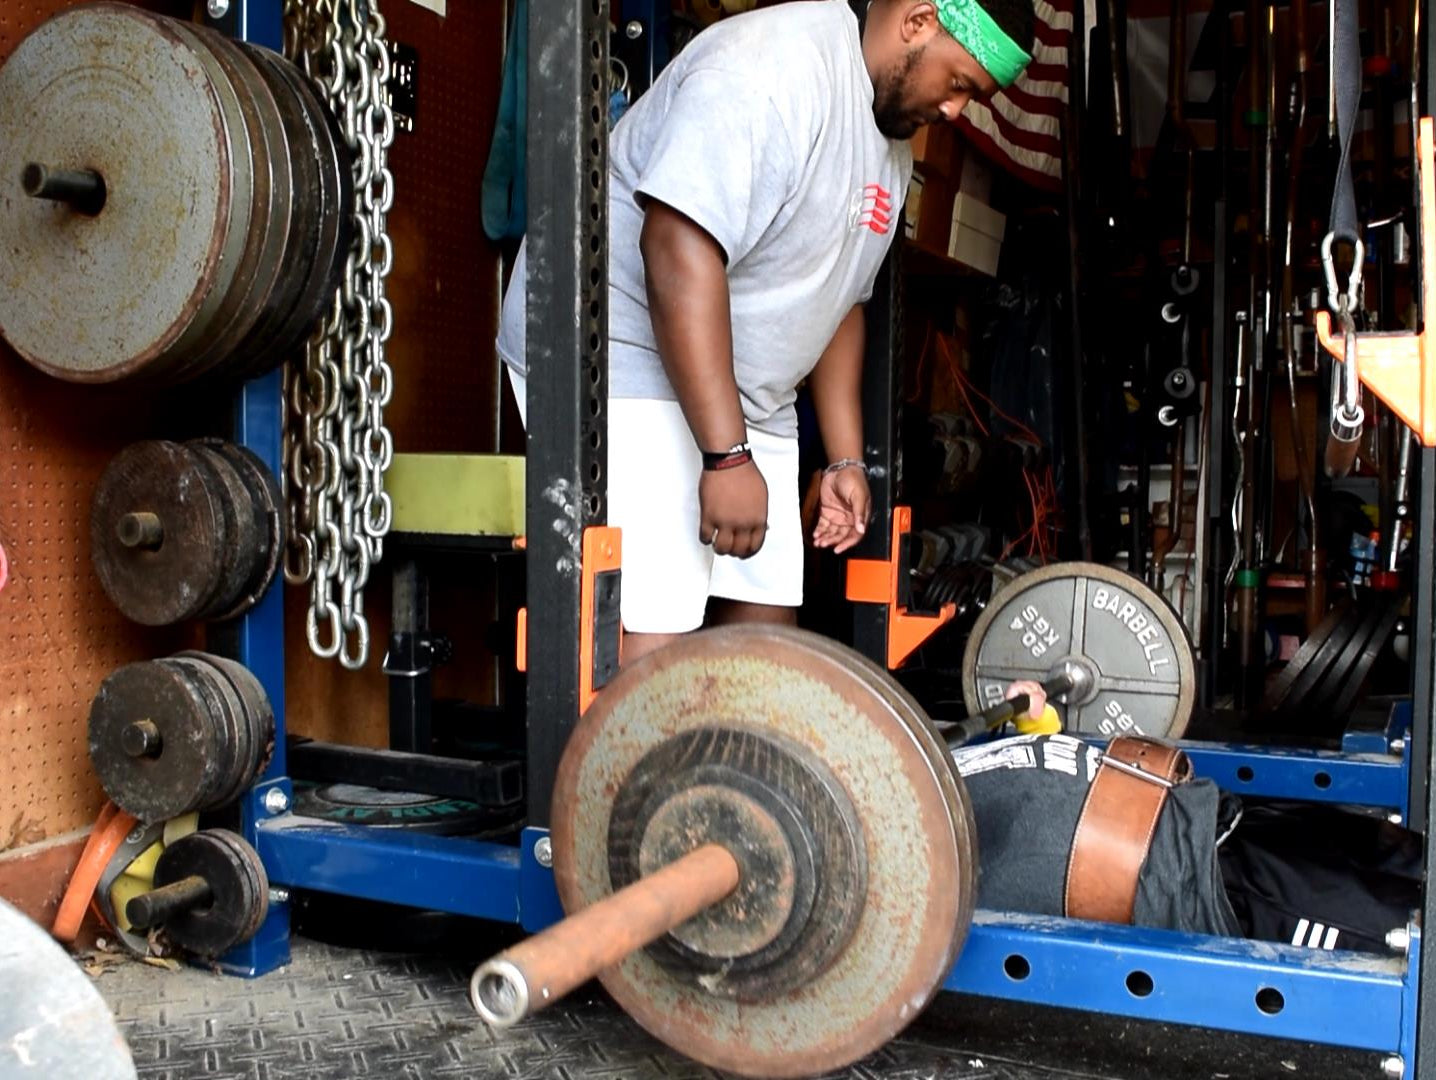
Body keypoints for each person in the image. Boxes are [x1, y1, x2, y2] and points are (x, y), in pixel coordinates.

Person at [497, 0, 1036, 662]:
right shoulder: (772, 69)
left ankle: (721, 766)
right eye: (959, 85)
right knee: (654, 644)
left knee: (763, 643)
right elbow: (675, 247)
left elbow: (840, 299)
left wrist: (844, 460)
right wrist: (727, 456)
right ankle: (627, 765)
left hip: (750, 394)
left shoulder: (889, 148)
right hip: (618, 353)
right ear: (919, 21)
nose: (955, 112)